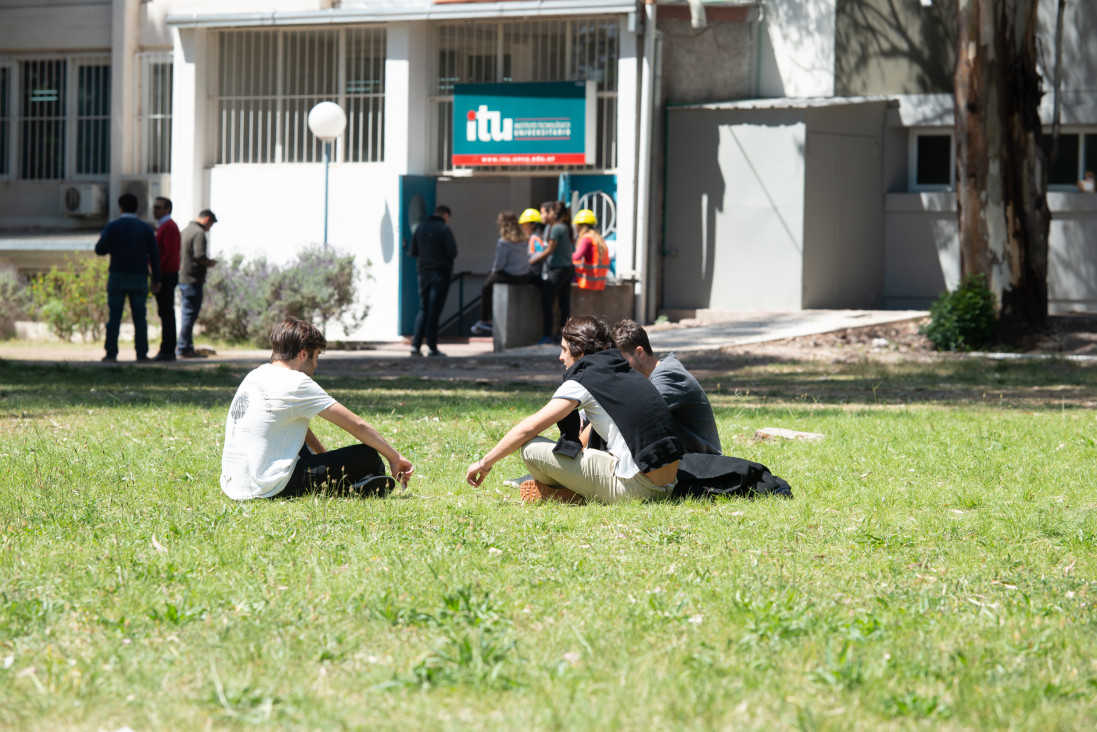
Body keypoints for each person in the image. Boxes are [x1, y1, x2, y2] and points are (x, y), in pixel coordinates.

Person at [465, 315, 683, 504]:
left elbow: (528, 428)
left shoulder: (584, 377)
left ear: (580, 351)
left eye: (564, 350)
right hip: (668, 485)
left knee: (531, 448)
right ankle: (570, 492)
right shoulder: (623, 369)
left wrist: (484, 463)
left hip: (637, 488)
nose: (561, 357)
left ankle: (568, 493)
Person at [221, 317, 415, 500]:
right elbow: (357, 425)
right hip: (268, 486)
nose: (315, 365)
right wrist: (394, 457)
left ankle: (349, 482)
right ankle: (353, 484)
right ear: (303, 353)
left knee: (298, 444)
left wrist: (324, 458)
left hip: (234, 483)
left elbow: (293, 426)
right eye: (315, 357)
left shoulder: (255, 374)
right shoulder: (296, 382)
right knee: (369, 456)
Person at [611, 319, 722, 455]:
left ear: (640, 353)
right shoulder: (646, 379)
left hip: (704, 466)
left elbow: (634, 417)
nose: (618, 369)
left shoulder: (667, 376)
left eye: (621, 361)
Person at [94, 192, 161, 363]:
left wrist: (114, 247)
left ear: (120, 207)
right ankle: (141, 354)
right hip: (139, 277)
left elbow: (100, 249)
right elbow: (154, 255)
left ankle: (111, 353)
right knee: (140, 317)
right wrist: (156, 279)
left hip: (117, 275)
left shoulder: (113, 226)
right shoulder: (145, 228)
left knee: (114, 317)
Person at [470, 211, 532, 336]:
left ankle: (483, 320)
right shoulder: (525, 239)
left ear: (505, 224)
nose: (496, 222)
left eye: (499, 220)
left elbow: (499, 265)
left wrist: (493, 271)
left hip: (510, 276)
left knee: (486, 287)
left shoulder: (503, 242)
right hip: (525, 276)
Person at [409, 204, 458, 357]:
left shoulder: (420, 228)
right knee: (434, 311)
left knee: (423, 308)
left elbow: (413, 251)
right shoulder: (444, 229)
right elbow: (453, 252)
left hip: (423, 273)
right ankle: (432, 347)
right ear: (445, 215)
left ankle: (415, 346)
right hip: (440, 273)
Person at [530, 201, 574, 345]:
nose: (541, 215)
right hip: (567, 269)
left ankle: (548, 334)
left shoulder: (556, 228)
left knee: (547, 301)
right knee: (563, 304)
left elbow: (549, 250)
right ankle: (562, 335)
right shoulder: (564, 227)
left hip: (558, 269)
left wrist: (531, 261)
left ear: (551, 214)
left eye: (543, 212)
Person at [177, 209, 218, 358]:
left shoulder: (185, 231)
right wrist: (210, 263)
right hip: (193, 280)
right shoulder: (199, 233)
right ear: (207, 220)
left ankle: (186, 346)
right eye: (211, 225)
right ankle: (183, 348)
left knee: (186, 314)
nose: (209, 228)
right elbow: (199, 255)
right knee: (189, 315)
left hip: (183, 278)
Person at [151, 196, 180, 362]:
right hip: (165, 273)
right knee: (165, 313)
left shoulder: (168, 227)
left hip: (166, 274)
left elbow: (169, 254)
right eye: (155, 207)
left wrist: (158, 274)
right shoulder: (164, 226)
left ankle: (168, 350)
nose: (155, 210)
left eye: (158, 207)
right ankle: (167, 349)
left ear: (167, 209)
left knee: (167, 313)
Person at [571, 209, 610, 291]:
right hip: (599, 281)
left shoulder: (586, 239)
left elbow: (577, 256)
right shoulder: (597, 238)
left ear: (579, 226)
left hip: (588, 280)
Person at [520, 207, 546, 282]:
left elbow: (541, 254)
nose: (522, 227)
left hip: (534, 274)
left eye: (524, 224)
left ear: (533, 225)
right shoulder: (533, 238)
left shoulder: (535, 239)